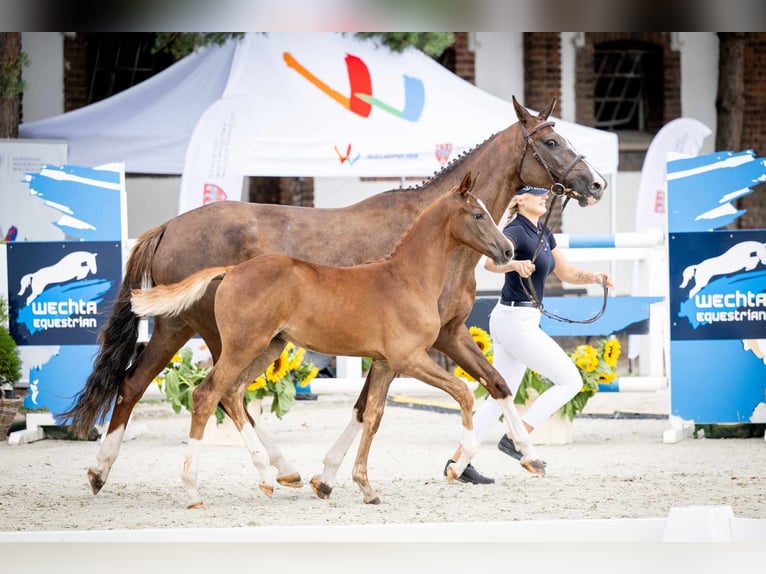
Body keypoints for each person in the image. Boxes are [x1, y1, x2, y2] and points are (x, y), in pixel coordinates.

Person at [444, 185, 614, 484]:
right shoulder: (515, 230)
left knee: (500, 395)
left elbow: (566, 273)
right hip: (515, 320)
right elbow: (489, 263)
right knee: (570, 380)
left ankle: (457, 463)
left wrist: (594, 277)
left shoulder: (543, 233)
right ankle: (517, 436)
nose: (545, 197)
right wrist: (513, 264)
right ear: (521, 200)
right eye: (538, 193)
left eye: (545, 194)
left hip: (520, 319)